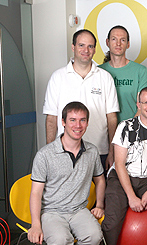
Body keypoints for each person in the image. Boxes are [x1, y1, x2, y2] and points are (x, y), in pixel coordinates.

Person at [84, 87, 147, 245]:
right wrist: (131, 196)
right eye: (146, 102)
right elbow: (119, 163)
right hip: (121, 177)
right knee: (112, 220)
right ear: (138, 105)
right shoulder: (125, 127)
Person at [28, 102, 106, 245]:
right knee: (61, 242)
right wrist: (35, 224)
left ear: (87, 122)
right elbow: (36, 193)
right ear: (63, 122)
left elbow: (100, 179)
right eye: (72, 120)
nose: (78, 125)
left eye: (82, 120)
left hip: (79, 210)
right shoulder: (45, 155)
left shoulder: (92, 151)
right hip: (52, 212)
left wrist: (99, 204)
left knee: (94, 237)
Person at [43, 29, 119, 171]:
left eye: (90, 46)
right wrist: (51, 152)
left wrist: (112, 151)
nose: (86, 50)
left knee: (99, 192)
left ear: (95, 50)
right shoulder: (58, 77)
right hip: (65, 152)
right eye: (81, 45)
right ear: (73, 47)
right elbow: (51, 118)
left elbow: (112, 118)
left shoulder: (105, 77)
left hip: (99, 151)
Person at [99, 25, 147, 122]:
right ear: (107, 42)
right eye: (114, 39)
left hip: (132, 130)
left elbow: (143, 106)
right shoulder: (98, 71)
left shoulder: (140, 71)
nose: (118, 43)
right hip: (102, 130)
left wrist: (129, 128)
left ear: (128, 44)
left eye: (122, 40)